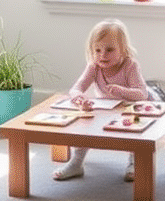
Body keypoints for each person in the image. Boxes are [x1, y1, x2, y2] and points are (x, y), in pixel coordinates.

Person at [53, 19, 148, 182]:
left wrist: (121, 90)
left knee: (134, 125)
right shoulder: (94, 66)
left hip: (131, 107)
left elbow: (142, 94)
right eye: (97, 50)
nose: (102, 55)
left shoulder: (130, 65)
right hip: (106, 108)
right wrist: (79, 98)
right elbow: (76, 88)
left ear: (123, 50)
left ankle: (134, 161)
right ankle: (76, 162)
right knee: (85, 124)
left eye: (109, 50)